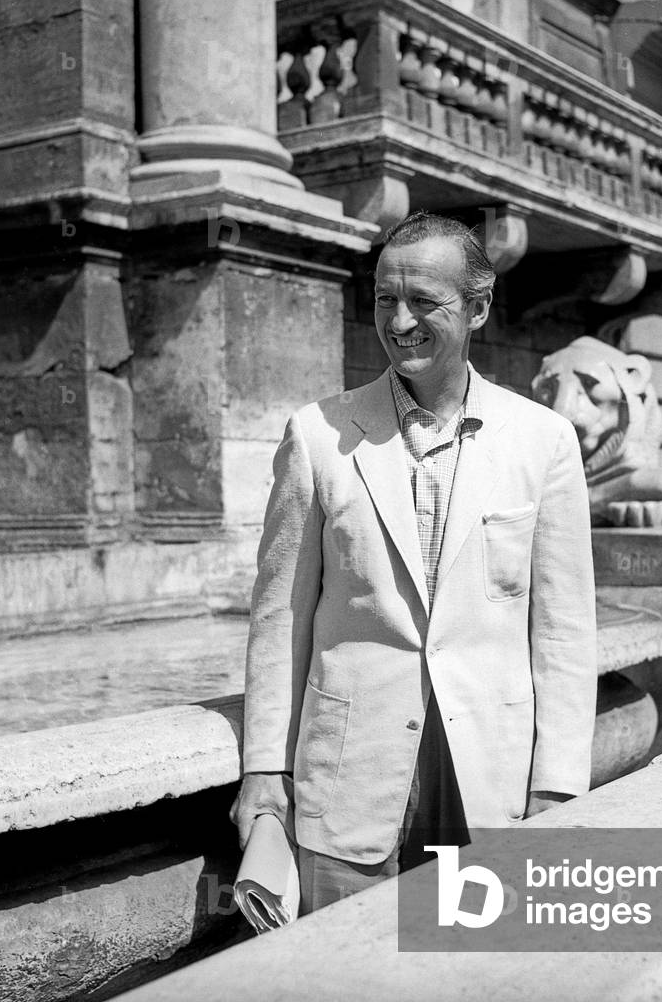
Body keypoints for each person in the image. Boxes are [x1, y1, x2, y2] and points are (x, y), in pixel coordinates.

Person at [230, 212, 598, 913]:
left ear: (479, 308)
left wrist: (557, 785)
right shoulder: (315, 436)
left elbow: (564, 632)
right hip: (349, 787)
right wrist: (264, 771)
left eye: (424, 303)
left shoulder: (543, 441)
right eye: (383, 300)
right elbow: (279, 620)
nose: (399, 322)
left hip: (488, 783)